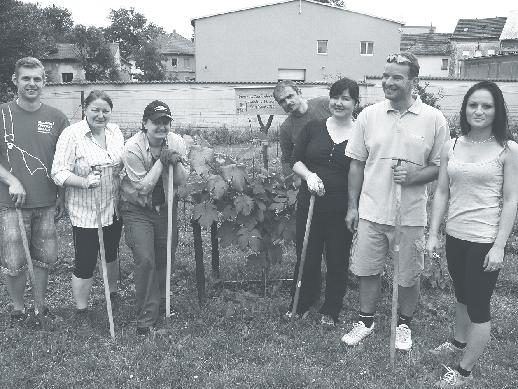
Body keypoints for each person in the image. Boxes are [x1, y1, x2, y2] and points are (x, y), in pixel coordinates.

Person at [341, 52, 449, 350]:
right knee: (367, 269)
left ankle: (404, 324)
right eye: (386, 75)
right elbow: (356, 165)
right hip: (371, 210)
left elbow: (441, 165)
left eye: (396, 77)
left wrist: (414, 176)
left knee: (408, 274)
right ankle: (366, 320)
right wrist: (353, 206)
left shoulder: (433, 119)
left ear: (413, 81)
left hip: (410, 215)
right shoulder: (368, 116)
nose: (388, 82)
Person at [426, 81, 518, 388]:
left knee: (478, 305)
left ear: (497, 111)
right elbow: (441, 191)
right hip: (455, 235)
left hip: (485, 240)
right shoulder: (451, 145)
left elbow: (510, 200)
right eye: (473, 105)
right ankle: (458, 341)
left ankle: (464, 371)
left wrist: (500, 246)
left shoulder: (508, 150)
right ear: (465, 108)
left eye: (487, 106)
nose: (479, 111)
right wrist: (433, 233)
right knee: (462, 296)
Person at [0, 57, 69, 328]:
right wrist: (11, 180)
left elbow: (63, 161)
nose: (32, 83)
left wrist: (62, 194)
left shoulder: (57, 118)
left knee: (44, 258)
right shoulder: (3, 114)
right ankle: (17, 308)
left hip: (46, 202)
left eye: (37, 79)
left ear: (44, 82)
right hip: (10, 203)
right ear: (15, 81)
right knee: (14, 260)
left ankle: (40, 305)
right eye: (26, 78)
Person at [51, 90, 124, 335]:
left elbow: (121, 162)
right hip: (86, 212)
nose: (101, 115)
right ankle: (81, 310)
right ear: (85, 109)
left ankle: (112, 294)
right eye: (95, 110)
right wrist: (83, 181)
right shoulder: (71, 135)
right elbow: (58, 172)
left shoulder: (115, 132)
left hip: (112, 207)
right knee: (85, 260)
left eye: (105, 110)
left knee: (111, 254)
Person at [288, 78, 358, 326]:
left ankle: (331, 308)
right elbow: (295, 160)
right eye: (335, 97)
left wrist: (353, 207)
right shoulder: (313, 128)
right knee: (306, 255)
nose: (339, 103)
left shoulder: (360, 133)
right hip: (310, 205)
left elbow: (361, 172)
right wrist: (308, 175)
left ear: (355, 103)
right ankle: (303, 302)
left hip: (341, 209)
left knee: (338, 258)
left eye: (346, 98)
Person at [120, 100, 187, 335]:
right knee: (146, 258)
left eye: (165, 121)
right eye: (156, 122)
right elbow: (144, 188)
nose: (161, 126)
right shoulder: (132, 148)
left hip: (165, 206)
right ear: (144, 124)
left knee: (165, 256)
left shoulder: (177, 141)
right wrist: (161, 160)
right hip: (138, 209)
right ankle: (146, 319)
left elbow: (180, 181)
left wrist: (175, 160)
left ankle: (159, 302)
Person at [273, 80, 331, 177]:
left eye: (290, 96)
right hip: (312, 176)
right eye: (282, 101)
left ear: (299, 92)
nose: (287, 102)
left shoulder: (325, 104)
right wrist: (293, 184)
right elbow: (287, 160)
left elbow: (350, 126)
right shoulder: (286, 128)